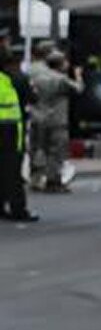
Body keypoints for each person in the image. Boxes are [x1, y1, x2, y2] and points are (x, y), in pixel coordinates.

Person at [26, 49, 82, 193]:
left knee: (38, 149)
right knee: (55, 151)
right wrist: (78, 75)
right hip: (57, 120)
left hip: (38, 117)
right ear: (60, 64)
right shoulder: (60, 79)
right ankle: (53, 181)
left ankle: (36, 178)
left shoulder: (36, 76)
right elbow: (79, 89)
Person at [0, 48, 34, 222]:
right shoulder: (17, 79)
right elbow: (32, 97)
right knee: (13, 173)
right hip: (11, 132)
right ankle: (18, 210)